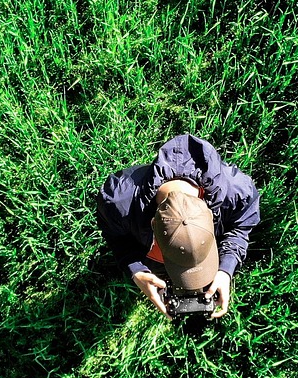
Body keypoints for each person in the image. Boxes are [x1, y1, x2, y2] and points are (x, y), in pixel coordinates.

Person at [95, 134, 260, 319]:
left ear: (211, 211)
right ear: (152, 223)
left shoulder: (238, 193)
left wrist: (225, 269)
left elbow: (241, 227)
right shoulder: (118, 205)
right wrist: (136, 270)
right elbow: (115, 237)